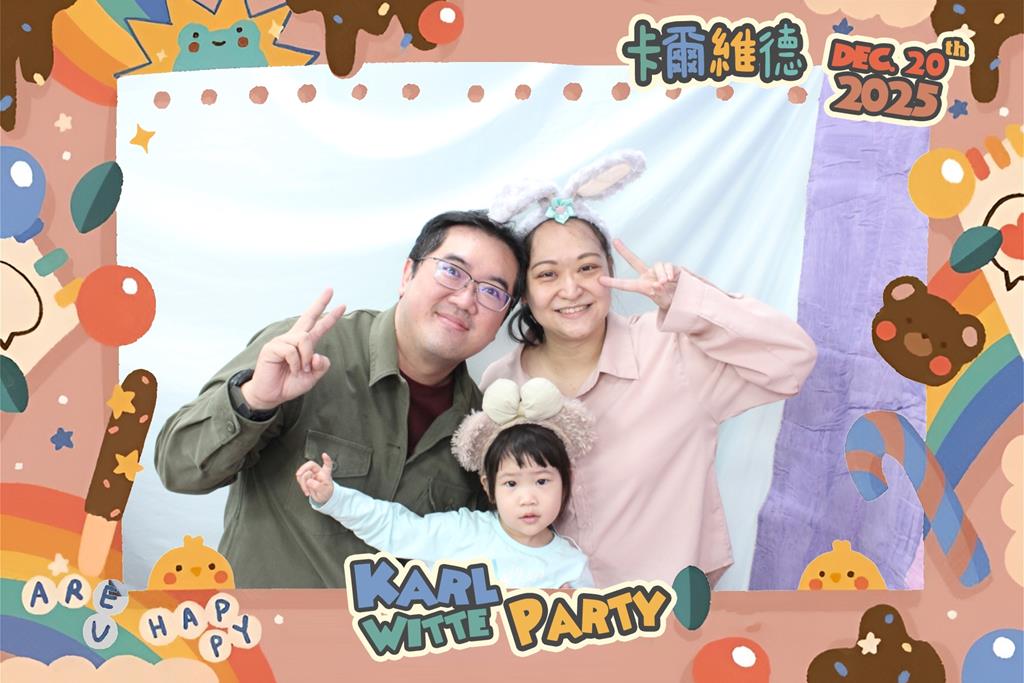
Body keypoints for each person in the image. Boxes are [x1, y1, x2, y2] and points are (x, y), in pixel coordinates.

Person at [483, 151, 818, 588]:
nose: (572, 288)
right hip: (550, 617)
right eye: (547, 275)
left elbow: (792, 359)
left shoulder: (673, 348)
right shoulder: (501, 383)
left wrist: (688, 302)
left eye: (588, 268)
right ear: (524, 292)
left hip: (671, 612)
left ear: (610, 272)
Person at [154, 210, 527, 588]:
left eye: (492, 292)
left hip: (396, 628)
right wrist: (255, 400)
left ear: (499, 323)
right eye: (452, 271)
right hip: (261, 623)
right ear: (407, 275)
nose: (465, 299)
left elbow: (489, 556)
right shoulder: (304, 351)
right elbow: (178, 469)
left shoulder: (483, 429)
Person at [296, 377, 595, 588]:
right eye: (511, 484)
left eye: (541, 481)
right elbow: (395, 528)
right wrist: (334, 498)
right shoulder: (462, 532)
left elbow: (588, 649)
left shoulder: (572, 567)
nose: (527, 498)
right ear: (488, 486)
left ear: (565, 480)